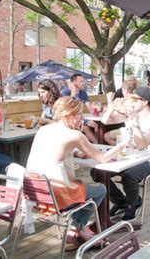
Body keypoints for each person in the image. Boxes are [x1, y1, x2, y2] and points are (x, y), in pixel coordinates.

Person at [27, 96, 126, 249]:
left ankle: (78, 230)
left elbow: (53, 153)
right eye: (79, 114)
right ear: (67, 116)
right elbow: (103, 158)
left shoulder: (43, 129)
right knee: (100, 189)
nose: (83, 118)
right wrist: (122, 144)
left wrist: (74, 154)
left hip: (35, 191)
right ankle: (78, 229)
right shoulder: (75, 135)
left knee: (79, 184)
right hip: (57, 195)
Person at [103, 87, 150, 220]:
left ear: (145, 102)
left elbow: (142, 145)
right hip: (129, 157)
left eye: (134, 99)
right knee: (98, 173)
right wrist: (111, 104)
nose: (131, 101)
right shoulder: (129, 114)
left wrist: (134, 121)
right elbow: (105, 121)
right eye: (131, 99)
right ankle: (121, 201)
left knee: (129, 177)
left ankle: (132, 205)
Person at [61, 74, 98, 143]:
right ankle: (95, 145)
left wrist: (94, 109)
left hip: (80, 118)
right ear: (74, 83)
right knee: (86, 128)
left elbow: (89, 108)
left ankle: (97, 144)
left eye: (83, 81)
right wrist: (73, 91)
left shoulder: (83, 93)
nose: (83, 83)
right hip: (69, 118)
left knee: (96, 125)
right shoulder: (65, 92)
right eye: (81, 81)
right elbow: (69, 106)